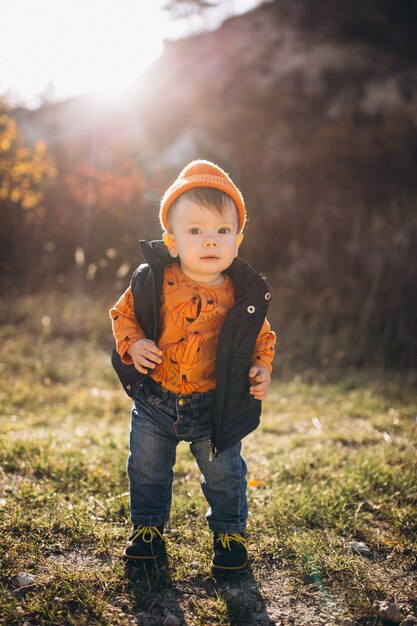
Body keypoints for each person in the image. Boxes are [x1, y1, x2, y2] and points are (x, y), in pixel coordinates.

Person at [110, 160, 276, 571]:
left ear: (237, 240)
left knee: (224, 475)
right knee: (147, 469)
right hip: (155, 399)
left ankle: (229, 534)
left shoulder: (243, 295)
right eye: (196, 230)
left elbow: (262, 337)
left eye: (222, 230)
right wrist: (136, 343)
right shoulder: (153, 280)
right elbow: (122, 315)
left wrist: (261, 369)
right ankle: (147, 532)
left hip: (215, 405)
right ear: (172, 241)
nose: (210, 241)